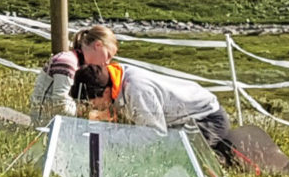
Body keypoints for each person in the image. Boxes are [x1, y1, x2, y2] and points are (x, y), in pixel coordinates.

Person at [71, 61, 239, 165]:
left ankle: (226, 158)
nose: (92, 105)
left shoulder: (137, 90)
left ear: (105, 92)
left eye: (92, 101)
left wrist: (110, 139)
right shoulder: (118, 80)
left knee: (179, 158)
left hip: (206, 120)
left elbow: (154, 135)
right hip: (183, 121)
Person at [29, 26, 118, 120]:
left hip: (60, 120)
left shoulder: (78, 63)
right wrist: (91, 115)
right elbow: (60, 105)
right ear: (98, 45)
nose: (107, 62)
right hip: (45, 122)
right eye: (108, 55)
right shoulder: (67, 62)